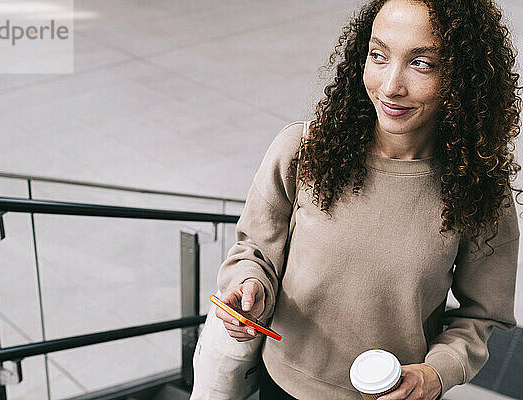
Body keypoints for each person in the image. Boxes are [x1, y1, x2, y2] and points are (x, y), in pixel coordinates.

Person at [215, 0, 522, 399]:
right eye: (378, 56)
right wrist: (248, 288)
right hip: (284, 385)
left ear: (465, 77)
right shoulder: (302, 150)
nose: (391, 85)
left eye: (422, 63)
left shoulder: (479, 190)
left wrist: (435, 374)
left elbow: (482, 316)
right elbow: (254, 250)